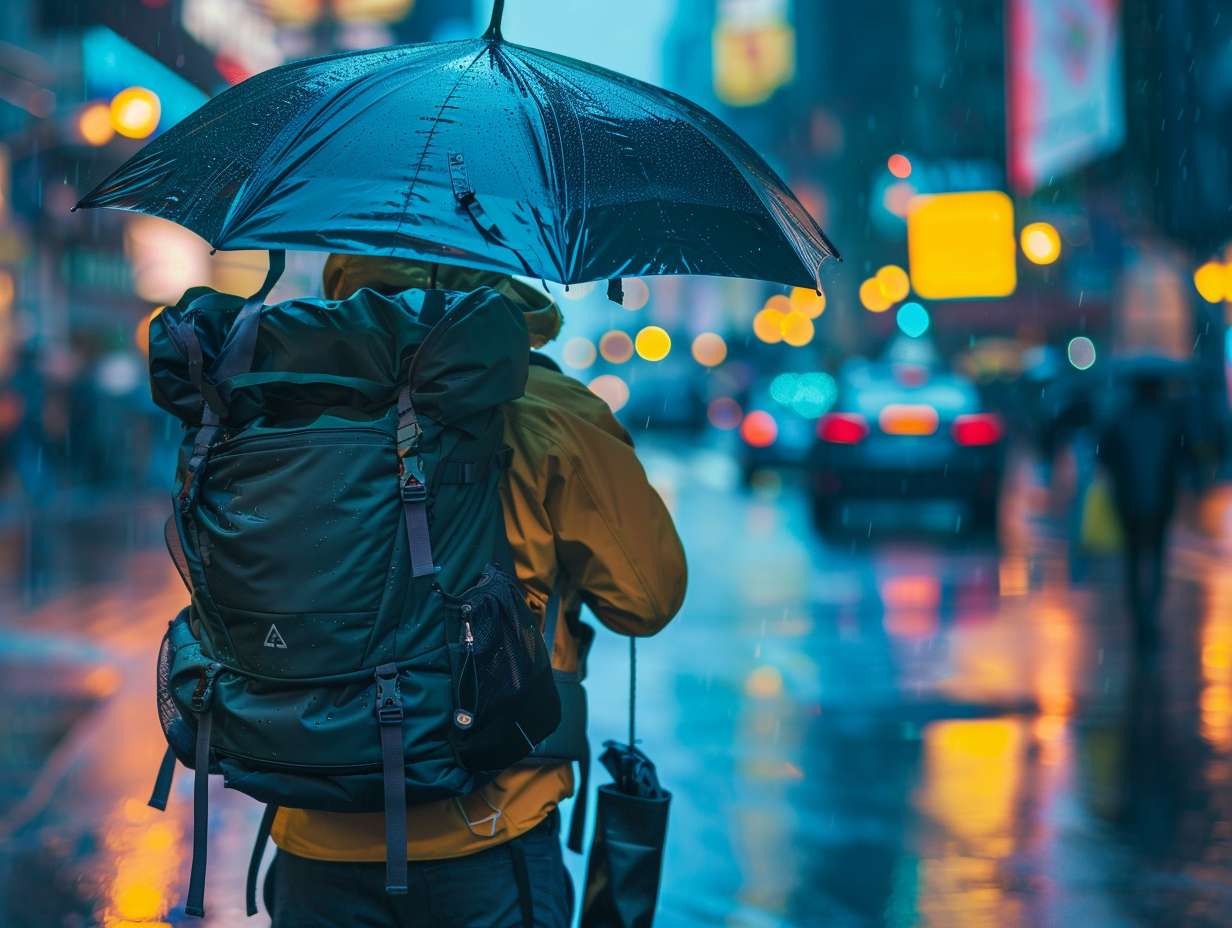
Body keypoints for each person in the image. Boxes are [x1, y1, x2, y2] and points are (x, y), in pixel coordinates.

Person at [262, 254, 688, 927]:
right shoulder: (544, 406)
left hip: (315, 830)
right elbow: (647, 598)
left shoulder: (286, 399)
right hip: (489, 823)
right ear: (495, 261)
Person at [1097, 370, 1195, 650]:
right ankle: (1149, 612)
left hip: (1128, 500)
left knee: (1133, 556)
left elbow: (1105, 456)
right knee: (1157, 555)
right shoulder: (1170, 418)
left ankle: (1139, 614)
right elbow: (1183, 457)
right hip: (1160, 500)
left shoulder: (1120, 417)